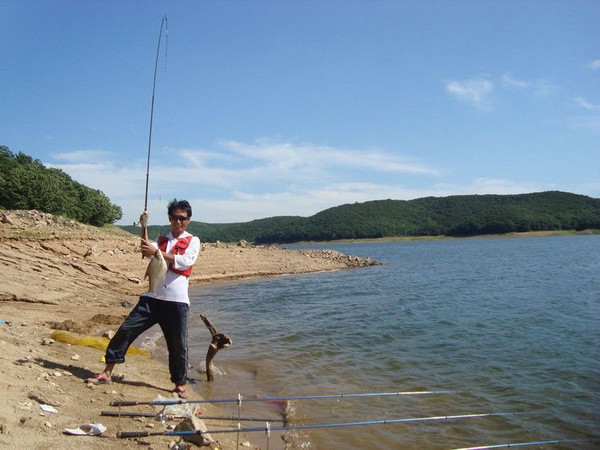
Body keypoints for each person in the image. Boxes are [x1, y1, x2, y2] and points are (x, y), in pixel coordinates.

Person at [86, 199, 201, 398]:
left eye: (182, 218)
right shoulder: (162, 239)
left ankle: (179, 384)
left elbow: (185, 262)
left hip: (177, 302)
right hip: (152, 299)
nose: (178, 221)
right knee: (126, 330)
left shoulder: (193, 241)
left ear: (188, 220)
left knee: (178, 345)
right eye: (174, 217)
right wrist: (144, 227)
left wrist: (156, 252)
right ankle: (107, 372)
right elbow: (145, 248)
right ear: (169, 218)